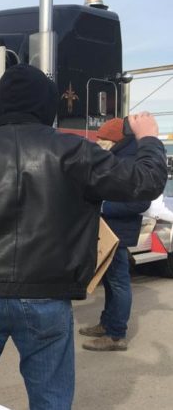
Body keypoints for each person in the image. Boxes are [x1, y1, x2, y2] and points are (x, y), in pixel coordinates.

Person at [0, 64, 167, 410]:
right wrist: (147, 137)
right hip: (46, 295)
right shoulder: (74, 152)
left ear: (3, 104)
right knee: (50, 400)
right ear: (48, 105)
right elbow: (145, 181)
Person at [80, 118, 151, 351]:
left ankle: (115, 335)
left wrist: (102, 208)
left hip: (117, 233)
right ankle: (107, 323)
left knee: (118, 282)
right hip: (110, 230)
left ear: (115, 140)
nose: (99, 143)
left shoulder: (129, 162)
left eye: (102, 139)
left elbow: (139, 203)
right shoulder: (120, 157)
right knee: (111, 281)